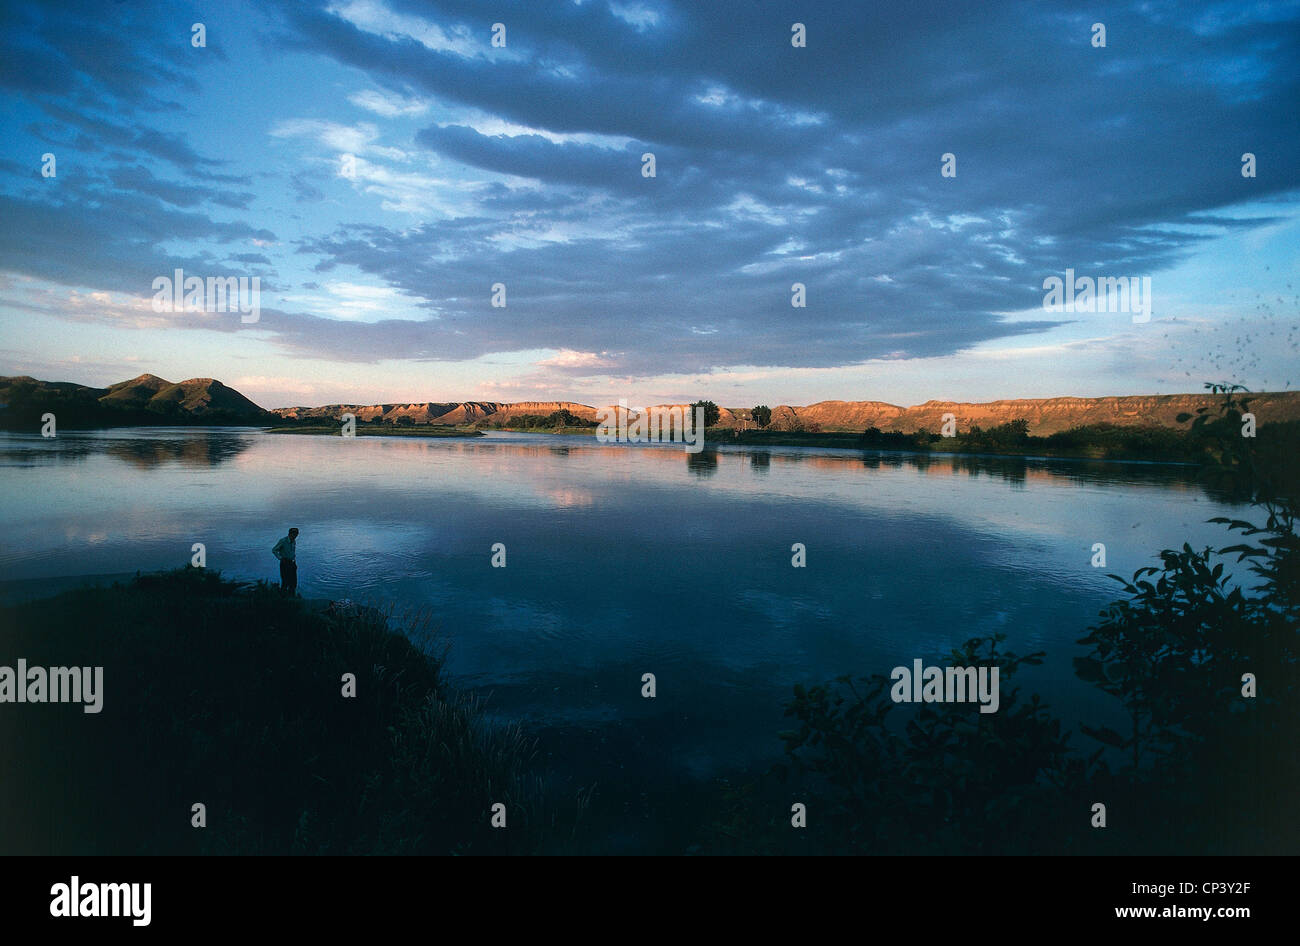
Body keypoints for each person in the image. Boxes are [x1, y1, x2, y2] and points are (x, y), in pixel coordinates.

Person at [272, 528, 299, 595]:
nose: (295, 536)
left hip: (292, 563)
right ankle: (283, 598)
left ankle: (292, 597)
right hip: (285, 563)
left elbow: (292, 551)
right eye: (294, 534)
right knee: (285, 581)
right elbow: (274, 550)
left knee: (293, 582)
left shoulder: (294, 541)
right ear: (289, 534)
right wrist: (280, 558)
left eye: (296, 534)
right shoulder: (283, 541)